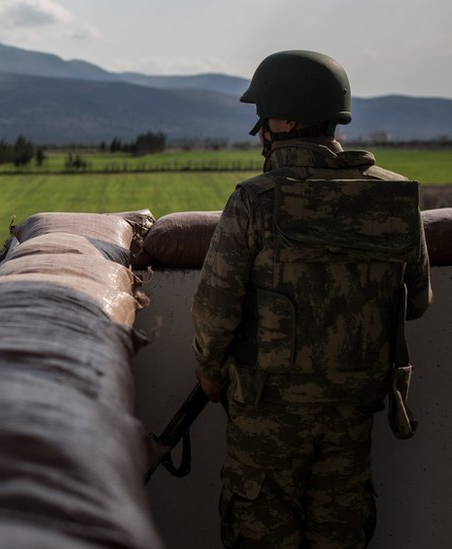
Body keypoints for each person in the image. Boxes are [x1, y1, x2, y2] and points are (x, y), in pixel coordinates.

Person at [191, 50, 432, 548]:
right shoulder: (394, 197)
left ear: (287, 118)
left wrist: (210, 370)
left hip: (267, 413)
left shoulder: (254, 200)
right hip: (353, 411)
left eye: (264, 117)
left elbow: (216, 310)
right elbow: (415, 302)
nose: (260, 131)